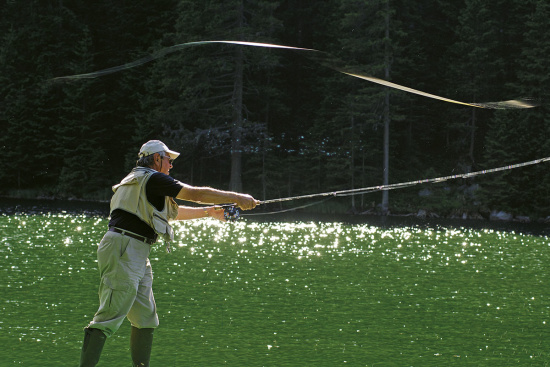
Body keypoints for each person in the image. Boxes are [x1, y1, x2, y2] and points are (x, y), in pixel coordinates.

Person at [80, 140, 258, 366]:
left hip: (134, 249)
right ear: (156, 159)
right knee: (107, 319)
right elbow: (195, 194)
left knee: (146, 320)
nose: (171, 165)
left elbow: (172, 213)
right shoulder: (153, 178)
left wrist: (209, 213)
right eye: (168, 159)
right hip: (125, 248)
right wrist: (237, 198)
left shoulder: (138, 180)